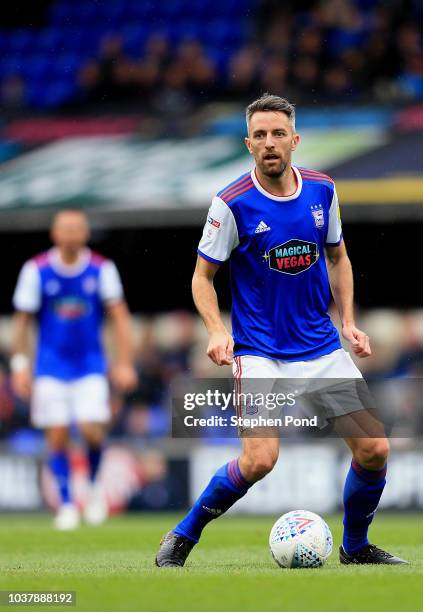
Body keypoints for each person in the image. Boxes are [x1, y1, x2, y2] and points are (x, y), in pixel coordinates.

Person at [155, 93, 408, 567]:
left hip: (319, 345)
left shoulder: (322, 190)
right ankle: (183, 535)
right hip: (259, 351)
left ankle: (355, 548)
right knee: (259, 460)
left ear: (295, 140)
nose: (269, 143)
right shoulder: (231, 203)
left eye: (278, 134)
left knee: (374, 449)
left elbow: (339, 257)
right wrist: (214, 329)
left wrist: (348, 322)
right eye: (260, 135)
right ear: (247, 143)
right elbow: (201, 277)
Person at [11, 210, 137, 530]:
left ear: (85, 234)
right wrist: (20, 365)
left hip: (90, 365)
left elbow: (120, 317)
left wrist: (124, 361)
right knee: (57, 434)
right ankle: (67, 503)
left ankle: (93, 489)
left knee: (92, 430)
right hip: (50, 366)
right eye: (65, 229)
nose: (71, 235)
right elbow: (22, 322)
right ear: (55, 233)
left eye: (77, 229)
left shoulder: (101, 269)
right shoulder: (36, 270)